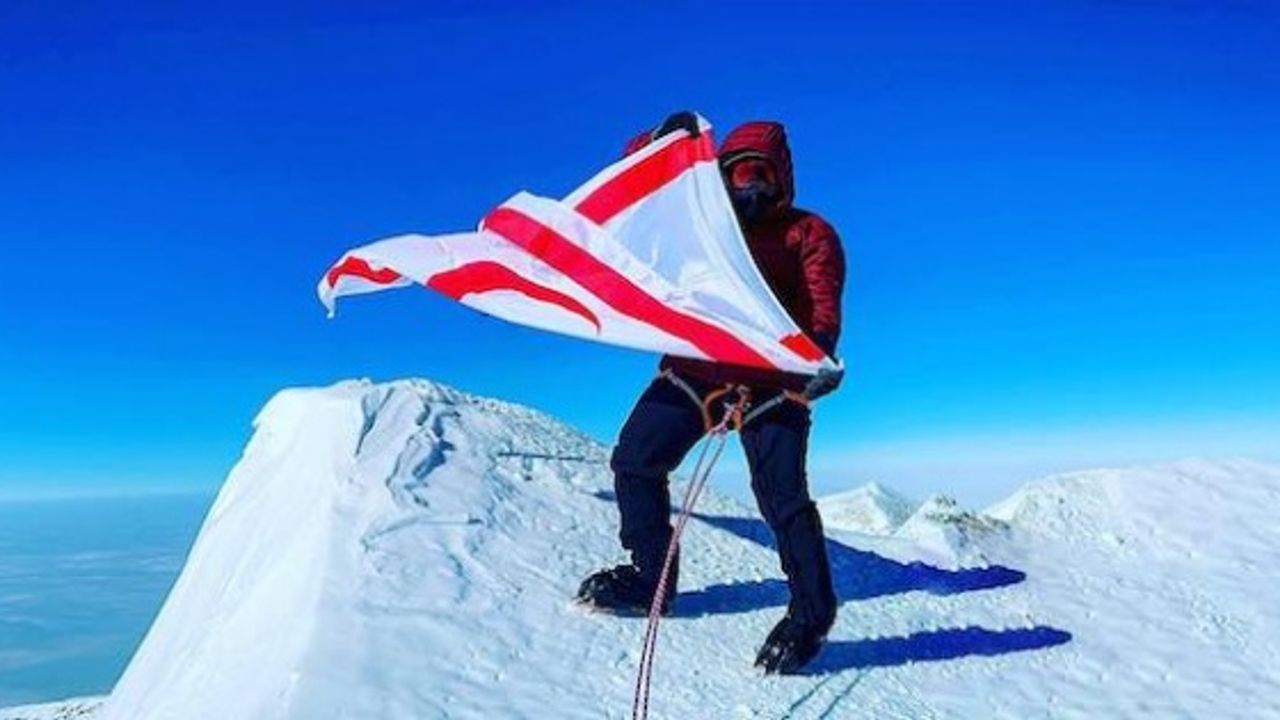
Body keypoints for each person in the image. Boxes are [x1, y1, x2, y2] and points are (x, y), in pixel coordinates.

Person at [576, 111, 847, 675]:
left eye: (762, 177)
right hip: (696, 369)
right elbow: (640, 186)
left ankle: (812, 614)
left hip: (772, 381)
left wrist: (817, 357)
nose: (749, 189)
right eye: (738, 177)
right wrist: (661, 142)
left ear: (783, 180)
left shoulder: (809, 233)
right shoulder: (702, 224)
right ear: (719, 177)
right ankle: (653, 576)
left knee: (781, 498)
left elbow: (822, 311)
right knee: (635, 462)